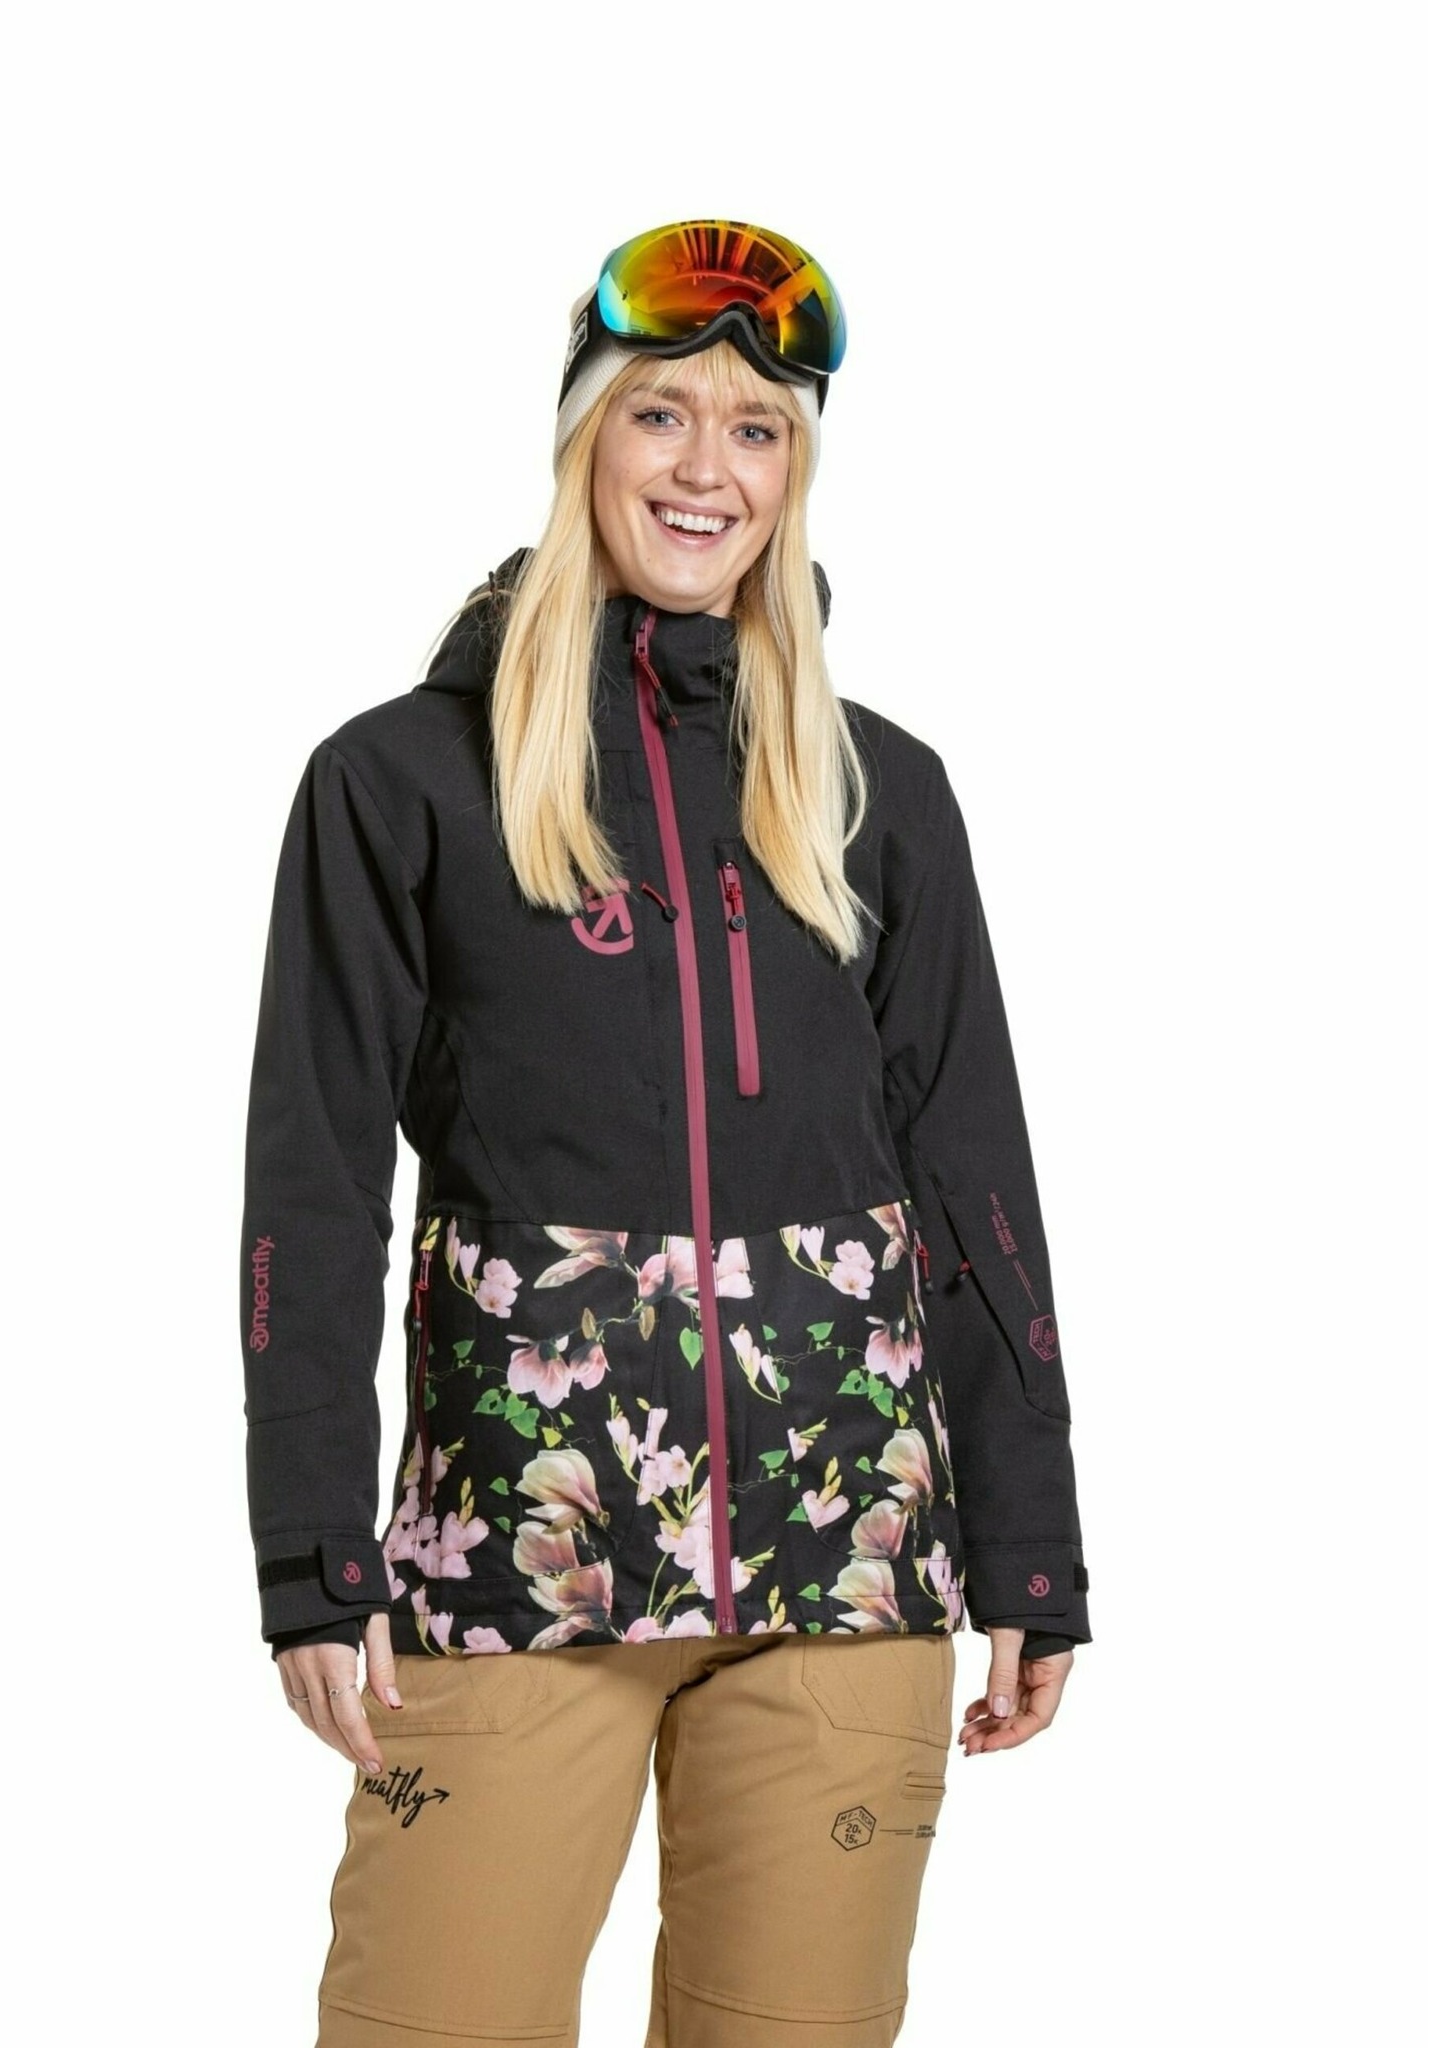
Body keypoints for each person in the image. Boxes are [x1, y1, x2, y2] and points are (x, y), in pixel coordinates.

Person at [238, 218, 1093, 2048]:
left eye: (757, 430)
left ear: (797, 474)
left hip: (848, 1571)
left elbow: (974, 1178)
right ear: (584, 440)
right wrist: (310, 1549)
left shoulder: (877, 791)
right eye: (660, 416)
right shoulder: (401, 783)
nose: (709, 470)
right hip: (514, 1568)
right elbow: (311, 1186)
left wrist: (1032, 1544)